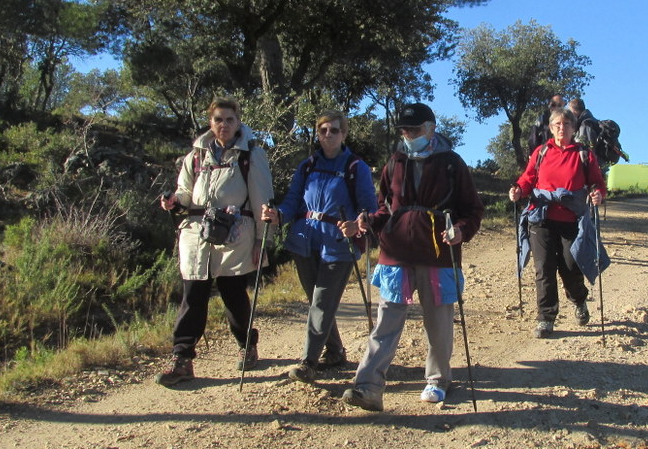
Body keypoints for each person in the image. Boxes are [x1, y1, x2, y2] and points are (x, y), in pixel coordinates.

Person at [342, 103, 484, 412]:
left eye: (415, 129)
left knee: (438, 324)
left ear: (431, 128)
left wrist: (460, 231)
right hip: (396, 253)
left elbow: (473, 209)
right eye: (404, 130)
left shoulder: (452, 163)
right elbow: (384, 207)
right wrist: (365, 223)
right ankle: (367, 386)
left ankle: (438, 379)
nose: (408, 135)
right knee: (386, 323)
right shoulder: (395, 162)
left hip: (438, 254)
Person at [156, 97, 274, 386]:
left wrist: (262, 240)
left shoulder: (251, 155)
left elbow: (262, 201)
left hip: (235, 235)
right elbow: (185, 191)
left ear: (238, 122)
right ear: (211, 122)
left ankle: (247, 345)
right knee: (192, 296)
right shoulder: (195, 156)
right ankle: (182, 358)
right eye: (218, 119)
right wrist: (174, 202)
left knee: (233, 296)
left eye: (229, 120)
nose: (224, 125)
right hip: (197, 235)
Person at [262, 110, 378, 383]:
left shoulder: (355, 167)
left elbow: (368, 207)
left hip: (339, 243)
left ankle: (308, 362)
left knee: (322, 303)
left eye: (334, 130)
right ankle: (335, 351)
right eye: (323, 130)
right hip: (304, 240)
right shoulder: (307, 166)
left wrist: (358, 222)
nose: (328, 135)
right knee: (316, 300)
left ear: (344, 134)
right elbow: (293, 201)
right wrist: (279, 215)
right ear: (317, 133)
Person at [510, 107, 607, 339]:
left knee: (571, 266)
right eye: (557, 124)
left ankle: (579, 299)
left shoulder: (584, 154)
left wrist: (597, 195)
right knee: (544, 269)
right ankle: (546, 317)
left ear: (574, 128)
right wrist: (518, 190)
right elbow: (528, 178)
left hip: (571, 219)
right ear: (550, 128)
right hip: (541, 218)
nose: (561, 128)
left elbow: (597, 183)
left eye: (566, 124)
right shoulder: (541, 152)